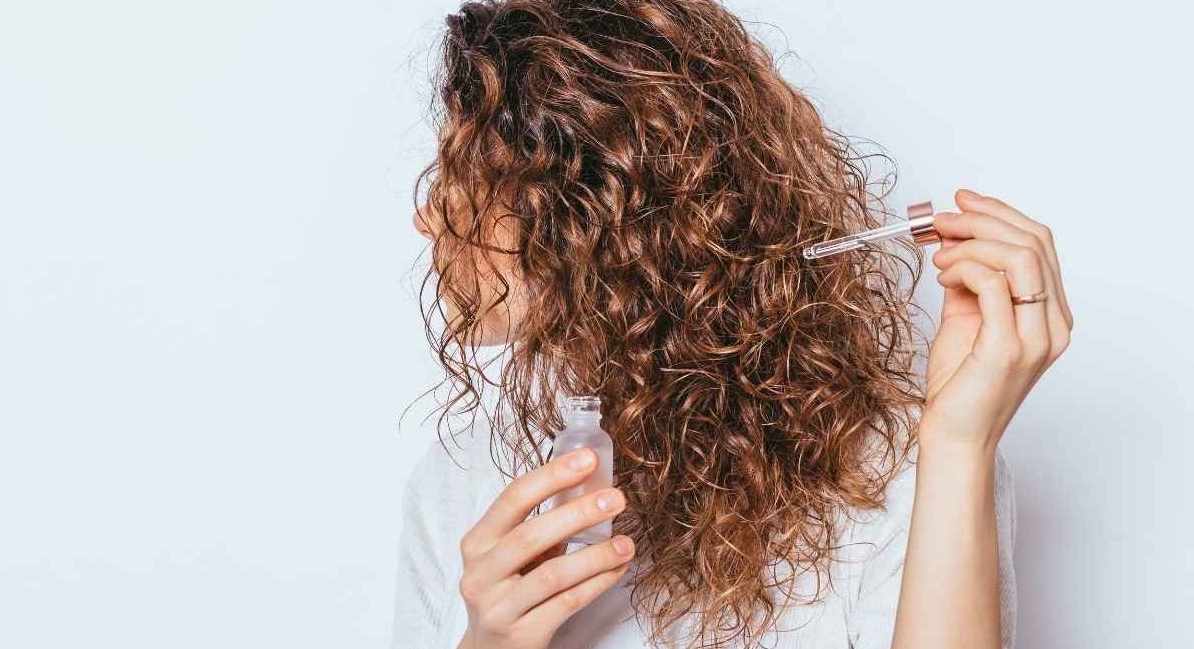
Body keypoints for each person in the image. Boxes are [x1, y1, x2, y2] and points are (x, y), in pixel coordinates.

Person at [395, 1, 1073, 648]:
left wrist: (957, 447)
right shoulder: (465, 474)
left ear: (595, 214)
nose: (427, 218)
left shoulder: (901, 464)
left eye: (465, 180)